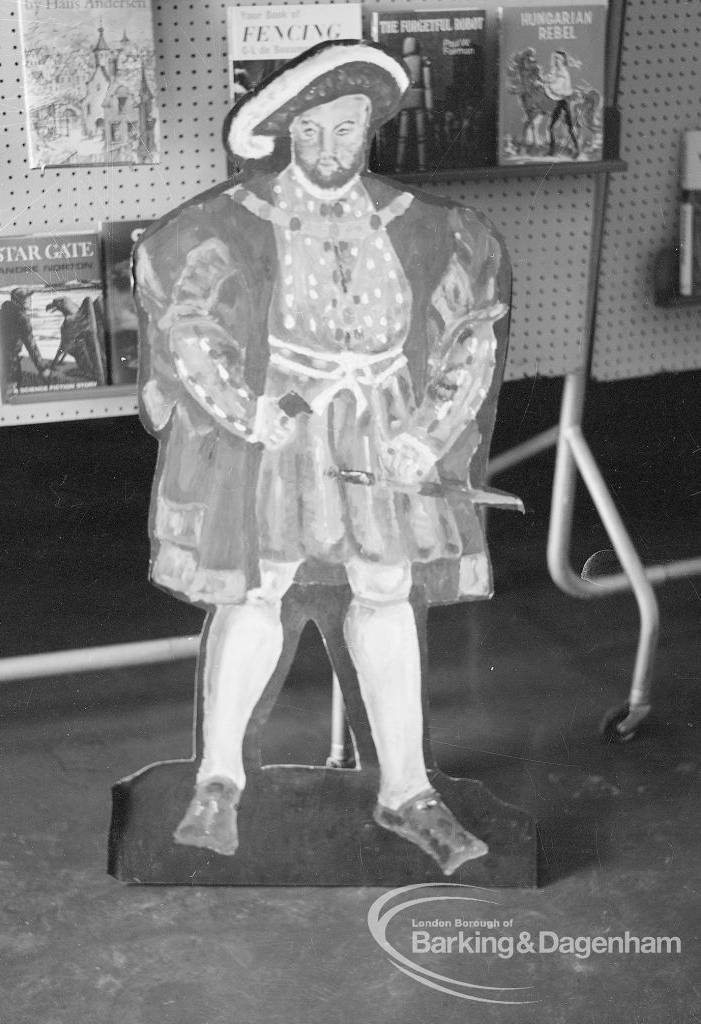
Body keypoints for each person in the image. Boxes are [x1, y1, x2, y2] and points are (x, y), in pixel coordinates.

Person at [134, 41, 512, 875]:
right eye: (313, 128)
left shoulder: (430, 226)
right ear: (286, 131)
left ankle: (406, 791)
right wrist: (246, 410)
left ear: (369, 130)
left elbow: (469, 338)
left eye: (348, 128)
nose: (332, 147)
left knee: (385, 589)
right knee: (258, 588)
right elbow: (186, 325)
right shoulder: (228, 222)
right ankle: (220, 781)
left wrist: (428, 433)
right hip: (282, 432)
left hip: (382, 430)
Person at [0, 288, 50, 389]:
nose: (30, 301)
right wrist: (42, 368)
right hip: (11, 364)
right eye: (27, 299)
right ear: (21, 301)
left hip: (0, 360)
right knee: (12, 391)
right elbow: (31, 345)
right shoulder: (21, 317)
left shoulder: (1, 313)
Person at [543, 50, 579, 157]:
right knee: (550, 128)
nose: (555, 60)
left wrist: (546, 82)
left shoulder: (563, 73)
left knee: (570, 128)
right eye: (554, 58)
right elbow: (549, 77)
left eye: (558, 58)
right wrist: (544, 79)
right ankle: (552, 151)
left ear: (563, 60)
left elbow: (556, 86)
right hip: (559, 102)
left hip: (565, 101)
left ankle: (576, 149)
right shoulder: (555, 70)